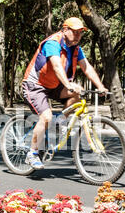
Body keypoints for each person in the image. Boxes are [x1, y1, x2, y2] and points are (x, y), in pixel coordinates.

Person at [22, 17, 108, 170]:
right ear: (65, 30)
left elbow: (86, 68)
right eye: (75, 32)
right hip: (35, 85)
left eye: (80, 33)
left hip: (54, 85)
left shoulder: (76, 49)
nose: (78, 35)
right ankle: (32, 153)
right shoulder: (53, 43)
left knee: (76, 95)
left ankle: (58, 122)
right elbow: (56, 65)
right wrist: (68, 84)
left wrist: (100, 86)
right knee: (46, 116)